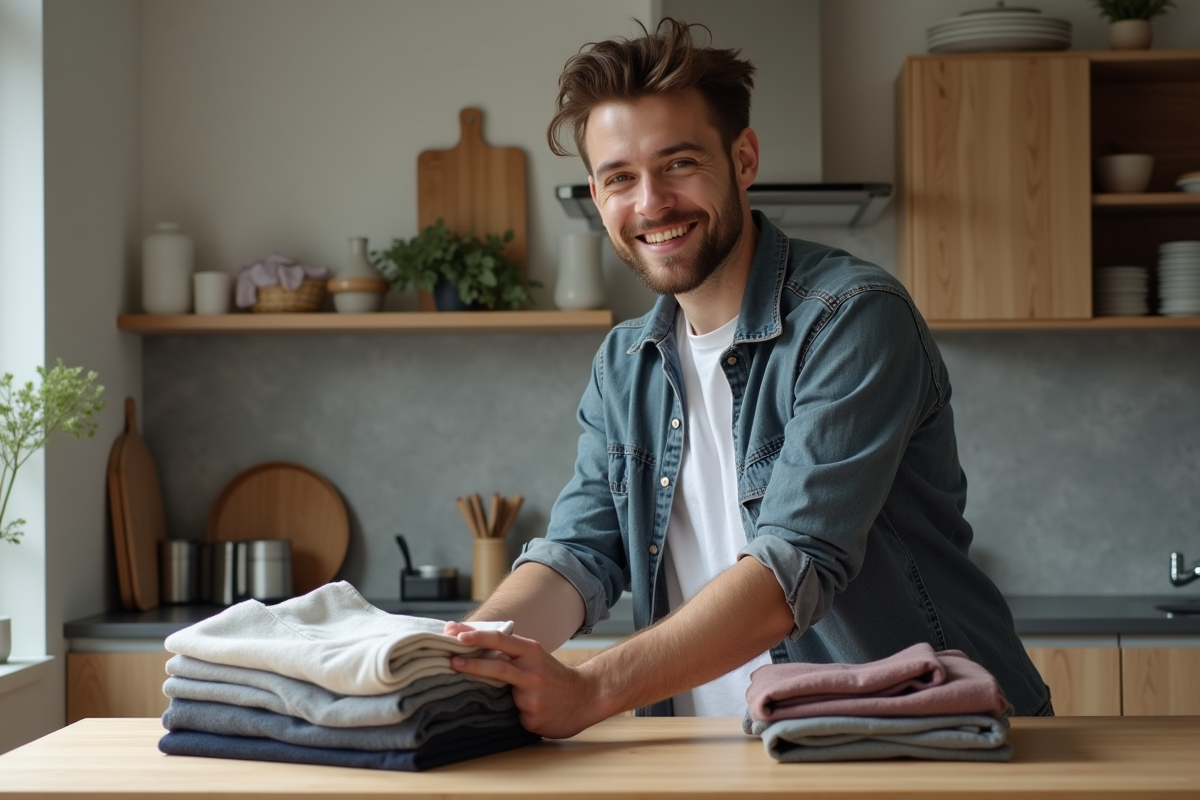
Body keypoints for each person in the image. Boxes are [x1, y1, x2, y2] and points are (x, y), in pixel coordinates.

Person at [445, 17, 1051, 738]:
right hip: (714, 750)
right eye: (620, 178)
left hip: (919, 742)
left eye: (679, 164)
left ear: (744, 158)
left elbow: (795, 563)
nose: (650, 204)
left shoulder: (852, 318)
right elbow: (580, 554)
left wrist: (593, 687)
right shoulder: (623, 364)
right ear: (596, 194)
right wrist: (453, 661)